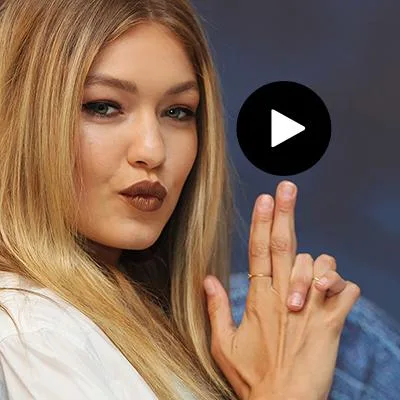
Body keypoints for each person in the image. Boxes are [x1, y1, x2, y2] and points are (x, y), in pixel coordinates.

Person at [0, 0, 360, 399]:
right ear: (22, 117)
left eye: (177, 112)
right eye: (103, 107)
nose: (153, 151)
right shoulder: (31, 330)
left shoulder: (151, 322)